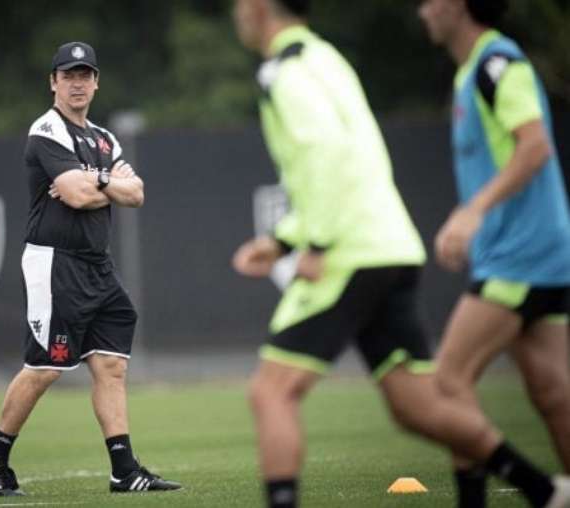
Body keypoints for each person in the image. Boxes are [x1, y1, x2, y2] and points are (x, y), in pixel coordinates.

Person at [231, 1, 570, 507]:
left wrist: (316, 242)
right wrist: (283, 239)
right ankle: (542, 491)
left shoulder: (284, 71)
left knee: (272, 393)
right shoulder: (329, 58)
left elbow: (323, 154)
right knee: (419, 405)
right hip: (392, 245)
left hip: (357, 250)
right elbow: (353, 154)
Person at [0, 41, 181, 496]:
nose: (77, 82)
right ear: (53, 82)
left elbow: (137, 193)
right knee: (45, 367)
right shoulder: (47, 129)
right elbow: (79, 195)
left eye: (85, 75)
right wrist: (106, 182)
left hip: (96, 265)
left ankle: (124, 471)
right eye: (68, 75)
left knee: (110, 366)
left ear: (97, 81)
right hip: (54, 261)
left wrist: (96, 179)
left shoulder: (103, 138)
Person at [418, 0, 570, 505]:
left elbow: (535, 146)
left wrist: (473, 210)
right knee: (553, 394)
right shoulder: (470, 73)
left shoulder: (497, 63)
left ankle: (535, 491)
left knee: (446, 385)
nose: (422, 11)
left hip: (520, 256)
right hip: (534, 254)